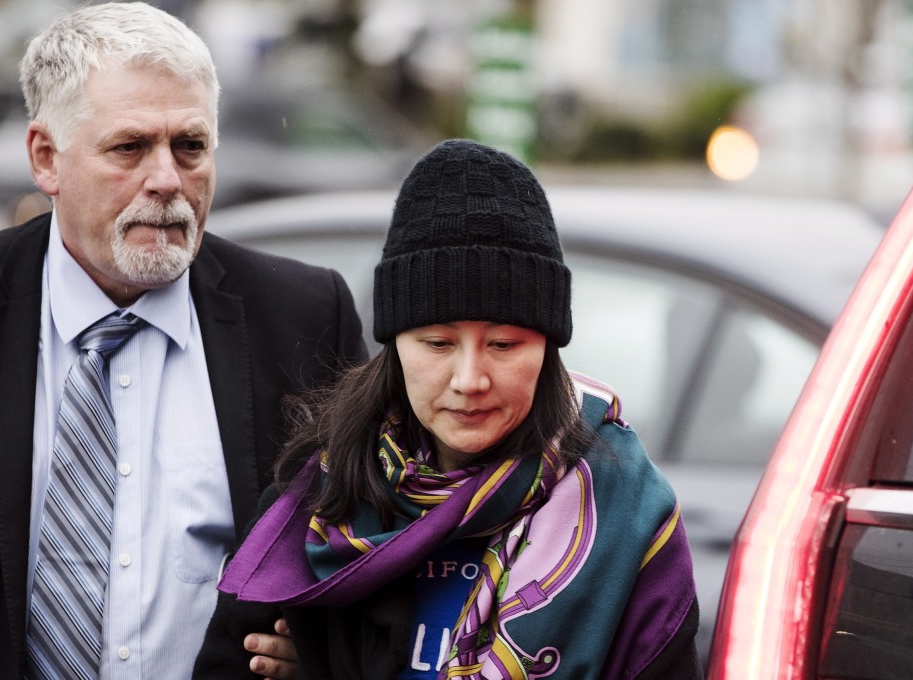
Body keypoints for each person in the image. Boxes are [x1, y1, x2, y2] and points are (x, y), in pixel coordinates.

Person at [0, 3, 365, 679]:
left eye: (191, 147)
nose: (166, 180)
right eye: (130, 148)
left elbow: (361, 548)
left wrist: (325, 646)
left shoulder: (303, 315)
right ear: (46, 158)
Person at [194, 139, 703, 679]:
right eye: (437, 344)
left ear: (548, 348)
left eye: (505, 345)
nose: (470, 380)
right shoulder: (320, 503)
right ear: (395, 347)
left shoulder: (626, 513)